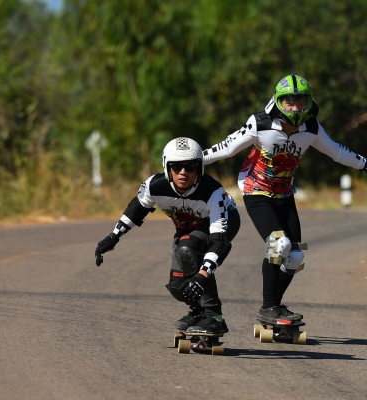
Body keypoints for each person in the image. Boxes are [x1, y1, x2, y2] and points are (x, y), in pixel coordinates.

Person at [202, 74, 367, 324]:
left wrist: (365, 165)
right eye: (289, 101)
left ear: (309, 102)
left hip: (285, 193)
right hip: (255, 189)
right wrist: (191, 160)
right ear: (277, 101)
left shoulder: (311, 127)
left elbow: (337, 152)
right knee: (279, 245)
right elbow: (226, 148)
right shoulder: (260, 122)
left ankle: (273, 308)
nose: (295, 107)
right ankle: (269, 307)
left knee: (296, 256)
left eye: (301, 101)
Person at [94, 137, 241, 334]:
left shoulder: (212, 191)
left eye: (190, 166)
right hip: (187, 225)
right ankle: (198, 311)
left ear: (200, 168)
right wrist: (113, 237)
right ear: (166, 167)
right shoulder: (155, 186)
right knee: (178, 286)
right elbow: (135, 211)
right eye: (176, 166)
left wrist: (203, 275)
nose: (183, 172)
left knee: (188, 252)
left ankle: (214, 317)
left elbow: (219, 244)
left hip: (222, 223)